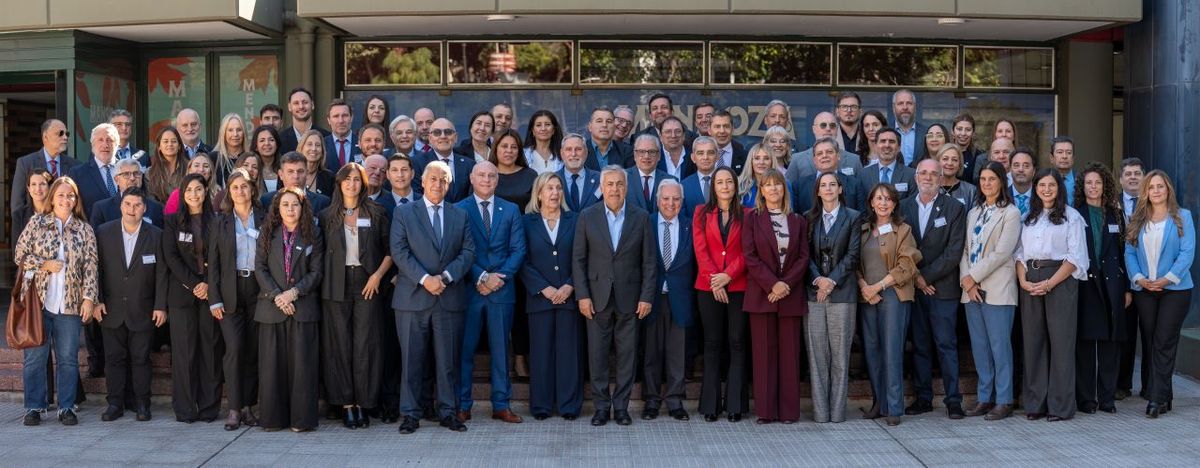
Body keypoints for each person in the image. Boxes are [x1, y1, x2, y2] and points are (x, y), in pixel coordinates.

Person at [391, 160, 476, 434]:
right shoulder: (404, 213)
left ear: (449, 185)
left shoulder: (460, 215)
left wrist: (446, 277)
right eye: (433, 179)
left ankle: (448, 412)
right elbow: (399, 251)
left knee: (447, 361)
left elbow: (468, 252)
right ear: (423, 183)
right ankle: (411, 414)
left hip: (448, 298)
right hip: (413, 298)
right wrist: (426, 279)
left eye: (444, 180)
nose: (438, 184)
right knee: (411, 362)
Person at [573, 165, 656, 427]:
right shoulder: (587, 216)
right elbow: (578, 260)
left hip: (630, 299)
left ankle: (621, 407)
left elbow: (649, 262)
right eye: (609, 184)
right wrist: (582, 296)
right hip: (596, 298)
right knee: (597, 356)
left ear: (626, 187)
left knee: (627, 355)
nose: (615, 189)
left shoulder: (641, 217)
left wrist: (646, 296)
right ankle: (600, 407)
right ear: (602, 187)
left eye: (619, 184)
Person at [15, 176, 99, 427]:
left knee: (68, 359)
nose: (66, 199)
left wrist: (89, 299)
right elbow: (20, 255)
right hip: (38, 305)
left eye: (70, 195)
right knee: (35, 359)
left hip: (70, 306)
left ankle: (67, 407)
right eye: (61, 195)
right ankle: (34, 407)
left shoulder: (84, 229)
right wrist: (44, 265)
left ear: (76, 199)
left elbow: (91, 267)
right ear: (52, 198)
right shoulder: (37, 222)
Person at [318, 163, 392, 429]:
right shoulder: (326, 215)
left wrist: (377, 276)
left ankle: (362, 402)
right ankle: (346, 404)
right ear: (338, 184)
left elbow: (389, 250)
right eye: (346, 179)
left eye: (356, 180)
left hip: (367, 284)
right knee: (339, 345)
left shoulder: (376, 212)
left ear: (363, 183)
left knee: (365, 345)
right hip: (334, 285)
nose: (352, 184)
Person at [453, 161, 527, 424]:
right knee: (465, 350)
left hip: (501, 290)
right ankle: (462, 404)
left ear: (498, 180)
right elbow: (458, 250)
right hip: (470, 290)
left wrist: (498, 278)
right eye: (481, 175)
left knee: (501, 352)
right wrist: (481, 276)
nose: (486, 179)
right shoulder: (459, 209)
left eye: (491, 176)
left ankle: (501, 404)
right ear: (472, 178)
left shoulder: (511, 210)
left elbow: (518, 250)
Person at [1015, 169, 1088, 421]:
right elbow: (1020, 254)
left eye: (1051, 185)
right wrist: (1023, 281)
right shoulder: (1028, 217)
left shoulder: (1072, 217)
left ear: (1059, 188)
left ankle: (1060, 406)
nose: (1046, 189)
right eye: (1042, 185)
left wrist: (1049, 283)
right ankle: (1035, 403)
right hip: (1030, 280)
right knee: (1033, 342)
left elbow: (1076, 258)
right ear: (1035, 188)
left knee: (1061, 343)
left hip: (1060, 280)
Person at [1124, 170, 1194, 418]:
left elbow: (1187, 253)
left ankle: (1155, 398)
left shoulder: (1182, 217)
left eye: (1160, 186)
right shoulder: (1137, 219)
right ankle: (1166, 394)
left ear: (1168, 190)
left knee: (1164, 340)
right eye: (1151, 187)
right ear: (1145, 192)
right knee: (1153, 341)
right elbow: (1129, 253)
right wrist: (1140, 279)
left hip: (1175, 290)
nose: (1156, 191)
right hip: (1145, 290)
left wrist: (1166, 279)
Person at [900, 160, 967, 419]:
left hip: (942, 289)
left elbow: (953, 252)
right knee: (920, 346)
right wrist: (916, 278)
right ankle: (923, 398)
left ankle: (953, 401)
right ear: (916, 177)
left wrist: (924, 277)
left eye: (933, 173)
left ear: (942, 178)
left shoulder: (954, 208)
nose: (928, 177)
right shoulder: (904, 206)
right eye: (923, 173)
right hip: (914, 289)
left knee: (946, 345)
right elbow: (900, 248)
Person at [93, 188, 167, 422]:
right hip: (110, 309)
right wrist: (97, 300)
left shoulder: (156, 235)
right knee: (114, 358)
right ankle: (114, 403)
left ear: (144, 208)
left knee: (141, 359)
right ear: (121, 206)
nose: (132, 210)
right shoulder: (104, 233)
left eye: (137, 205)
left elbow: (162, 274)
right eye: (128, 204)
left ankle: (142, 404)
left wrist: (160, 305)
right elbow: (95, 270)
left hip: (143, 309)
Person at [254, 188, 324, 432]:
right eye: (285, 204)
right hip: (272, 308)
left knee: (302, 367)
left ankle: (301, 420)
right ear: (277, 208)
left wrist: (293, 293)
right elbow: (260, 268)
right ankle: (273, 419)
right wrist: (277, 296)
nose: (290, 209)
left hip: (302, 307)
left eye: (295, 204)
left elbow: (317, 271)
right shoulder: (267, 232)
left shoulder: (312, 232)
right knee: (272, 367)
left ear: (302, 207)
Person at [743, 169, 809, 424]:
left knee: (790, 356)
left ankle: (789, 412)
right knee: (763, 356)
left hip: (790, 296)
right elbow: (750, 256)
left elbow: (803, 257)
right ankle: (766, 411)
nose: (773, 189)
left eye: (777, 185)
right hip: (762, 295)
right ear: (761, 190)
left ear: (784, 189)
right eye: (767, 185)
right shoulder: (752, 219)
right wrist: (772, 284)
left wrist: (785, 284)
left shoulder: (798, 220)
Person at [960, 161, 1022, 421]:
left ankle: (1004, 399)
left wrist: (973, 276)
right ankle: (985, 398)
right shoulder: (974, 211)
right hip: (971, 290)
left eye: (992, 179)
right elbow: (965, 249)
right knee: (980, 347)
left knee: (1000, 347)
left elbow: (1001, 253)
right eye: (983, 179)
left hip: (998, 288)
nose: (987, 183)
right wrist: (967, 280)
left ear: (1001, 182)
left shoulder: (1010, 213)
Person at [520, 172, 583, 421]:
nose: (554, 193)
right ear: (539, 193)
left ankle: (569, 406)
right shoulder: (527, 222)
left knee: (569, 354)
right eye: (549, 188)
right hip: (539, 299)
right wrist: (543, 288)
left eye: (558, 188)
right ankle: (542, 406)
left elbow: (582, 256)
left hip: (569, 297)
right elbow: (522, 260)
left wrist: (569, 286)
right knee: (541, 354)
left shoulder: (576, 220)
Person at [857, 183, 921, 427]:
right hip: (867, 296)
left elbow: (907, 264)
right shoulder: (862, 230)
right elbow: (853, 262)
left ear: (895, 204)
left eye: (888, 199)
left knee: (892, 350)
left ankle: (894, 407)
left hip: (893, 295)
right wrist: (864, 286)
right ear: (871, 203)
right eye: (878, 198)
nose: (883, 203)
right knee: (872, 351)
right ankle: (879, 403)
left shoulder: (903, 230)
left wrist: (878, 286)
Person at [206, 169, 264, 430]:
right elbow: (214, 265)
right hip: (230, 292)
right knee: (235, 349)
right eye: (235, 187)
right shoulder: (221, 221)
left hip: (258, 289)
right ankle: (233, 408)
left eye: (245, 186)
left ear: (253, 189)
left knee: (252, 352)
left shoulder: (264, 217)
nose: (240, 191)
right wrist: (214, 299)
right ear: (228, 191)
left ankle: (248, 407)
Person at [163, 173, 222, 423]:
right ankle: (186, 409)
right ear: (182, 195)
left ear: (206, 192)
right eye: (189, 191)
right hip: (182, 295)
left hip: (211, 295)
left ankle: (209, 408)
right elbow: (171, 257)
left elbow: (221, 256)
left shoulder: (217, 221)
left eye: (199, 190)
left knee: (210, 352)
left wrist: (208, 283)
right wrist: (194, 283)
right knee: (185, 353)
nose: (194, 195)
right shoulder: (172, 222)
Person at [694, 166, 750, 422]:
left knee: (737, 343)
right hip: (708, 288)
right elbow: (700, 250)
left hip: (738, 286)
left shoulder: (747, 214)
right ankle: (710, 405)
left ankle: (736, 405)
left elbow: (749, 251)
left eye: (729, 182)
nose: (725, 186)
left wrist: (729, 276)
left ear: (736, 186)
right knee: (712, 344)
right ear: (713, 187)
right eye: (720, 182)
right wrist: (715, 281)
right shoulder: (701, 214)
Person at [804, 171, 862, 423]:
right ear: (817, 191)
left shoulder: (854, 217)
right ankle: (820, 413)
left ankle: (837, 413)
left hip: (842, 294)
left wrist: (831, 281)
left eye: (832, 185)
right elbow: (804, 255)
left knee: (840, 356)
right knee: (817, 357)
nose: (827, 189)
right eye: (823, 185)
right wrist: (819, 280)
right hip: (814, 293)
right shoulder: (808, 218)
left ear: (840, 189)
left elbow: (853, 254)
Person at [1073, 163, 1128, 414]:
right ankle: (1086, 399)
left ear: (1105, 185)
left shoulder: (1116, 215)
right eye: (1088, 183)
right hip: (1086, 285)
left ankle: (1107, 398)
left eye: (1098, 182)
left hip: (1112, 286)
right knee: (1086, 344)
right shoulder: (1075, 214)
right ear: (1082, 187)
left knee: (1110, 343)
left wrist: (1126, 288)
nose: (1093, 187)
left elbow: (1126, 253)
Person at [640, 179, 695, 422]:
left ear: (682, 202)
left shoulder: (690, 226)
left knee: (677, 353)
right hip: (650, 298)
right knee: (651, 352)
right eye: (666, 199)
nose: (671, 203)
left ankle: (675, 401)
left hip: (680, 297)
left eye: (676, 199)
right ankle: (651, 401)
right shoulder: (645, 223)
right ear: (657, 200)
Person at [1115, 157, 1146, 400]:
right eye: (1128, 174)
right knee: (1124, 335)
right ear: (1120, 179)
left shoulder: (1153, 202)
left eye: (1137, 173)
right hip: (1123, 279)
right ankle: (1122, 384)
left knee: (1149, 335)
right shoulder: (1113, 205)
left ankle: (1149, 385)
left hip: (1149, 279)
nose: (1133, 177)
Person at [11, 119, 78, 216]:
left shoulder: (75, 165)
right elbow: (17, 205)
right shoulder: (25, 163)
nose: (65, 137)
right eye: (60, 133)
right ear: (45, 137)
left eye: (67, 134)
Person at [792, 137, 865, 214]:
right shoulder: (799, 186)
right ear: (814, 160)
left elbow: (862, 216)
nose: (824, 156)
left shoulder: (855, 184)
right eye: (819, 153)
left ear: (838, 156)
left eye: (829, 152)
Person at [785, 111, 862, 182]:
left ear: (837, 129)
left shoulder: (854, 160)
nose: (828, 129)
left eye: (832, 125)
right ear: (814, 129)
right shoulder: (797, 160)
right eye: (823, 125)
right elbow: (789, 190)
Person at [89, 158, 165, 228]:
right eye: (126, 174)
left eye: (136, 173)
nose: (132, 178)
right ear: (116, 180)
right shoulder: (102, 209)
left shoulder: (156, 208)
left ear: (141, 177)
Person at [413, 118, 476, 203]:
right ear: (430, 138)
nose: (443, 136)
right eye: (437, 133)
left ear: (456, 137)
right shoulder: (417, 163)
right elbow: (417, 196)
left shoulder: (469, 164)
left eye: (448, 132)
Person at [68, 123, 123, 218]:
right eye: (100, 140)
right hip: (92, 230)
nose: (105, 145)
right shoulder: (78, 174)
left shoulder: (128, 170)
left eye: (110, 140)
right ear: (92, 144)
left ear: (117, 144)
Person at [260, 152, 331, 214]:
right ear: (281, 175)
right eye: (290, 172)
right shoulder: (267, 201)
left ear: (307, 173)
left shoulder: (322, 203)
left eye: (300, 171)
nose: (296, 176)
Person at [858, 128, 916, 199]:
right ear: (875, 147)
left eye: (891, 142)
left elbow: (911, 205)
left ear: (899, 148)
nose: (887, 145)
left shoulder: (911, 175)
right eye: (883, 141)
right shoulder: (863, 175)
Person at [626, 134, 676, 214]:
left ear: (659, 156)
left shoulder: (671, 181)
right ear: (635, 155)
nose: (646, 156)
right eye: (642, 152)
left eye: (651, 152)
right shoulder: (623, 178)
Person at [492, 130, 539, 210]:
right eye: (504, 146)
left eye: (514, 147)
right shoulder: (486, 174)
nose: (509, 151)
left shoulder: (530, 175)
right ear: (496, 148)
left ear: (519, 151)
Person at [558, 133, 601, 213]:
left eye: (578, 149)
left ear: (586, 153)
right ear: (562, 153)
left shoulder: (600, 179)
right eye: (568, 149)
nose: (573, 154)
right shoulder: (552, 179)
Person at [147, 126, 191, 203]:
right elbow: (151, 202)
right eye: (165, 141)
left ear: (179, 146)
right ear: (159, 147)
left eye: (174, 141)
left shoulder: (190, 169)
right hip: (159, 213)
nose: (170, 144)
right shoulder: (149, 173)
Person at [280, 87, 330, 154]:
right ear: (289, 107)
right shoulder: (280, 139)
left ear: (312, 105)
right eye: (296, 103)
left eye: (305, 102)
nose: (301, 106)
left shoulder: (326, 137)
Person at [12, 168, 53, 246]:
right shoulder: (19, 215)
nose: (38, 189)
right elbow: (16, 250)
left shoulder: (58, 213)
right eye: (33, 184)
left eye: (42, 184)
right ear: (29, 188)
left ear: (50, 187)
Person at [681, 136, 720, 216]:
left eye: (710, 153)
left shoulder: (726, 182)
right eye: (700, 153)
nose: (705, 157)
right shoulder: (683, 186)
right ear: (693, 158)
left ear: (717, 156)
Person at [209, 113, 248, 188]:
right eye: (230, 130)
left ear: (244, 132)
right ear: (224, 133)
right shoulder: (213, 158)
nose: (235, 134)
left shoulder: (250, 158)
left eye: (239, 130)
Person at [523, 110, 564, 175]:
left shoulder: (563, 155)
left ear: (553, 130)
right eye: (538, 125)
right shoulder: (523, 154)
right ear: (532, 130)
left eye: (547, 124)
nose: (543, 128)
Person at [936, 144, 977, 208]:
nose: (950, 163)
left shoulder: (971, 191)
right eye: (945, 159)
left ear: (960, 164)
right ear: (938, 162)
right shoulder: (930, 188)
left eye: (954, 160)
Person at [891, 89, 925, 166]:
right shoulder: (885, 132)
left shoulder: (926, 133)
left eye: (909, 103)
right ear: (893, 108)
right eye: (900, 103)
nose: (905, 107)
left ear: (915, 107)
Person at [323, 99, 357, 172]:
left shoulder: (362, 143)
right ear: (329, 120)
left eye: (345, 115)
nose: (341, 121)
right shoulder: (321, 145)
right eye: (336, 116)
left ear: (351, 118)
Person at [300, 129, 335, 196]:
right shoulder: (291, 173)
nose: (314, 149)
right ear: (302, 148)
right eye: (309, 144)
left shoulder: (329, 178)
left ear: (322, 151)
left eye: (318, 145)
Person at [951, 114, 984, 184]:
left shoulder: (980, 156)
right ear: (952, 131)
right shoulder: (944, 154)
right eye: (959, 129)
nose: (963, 133)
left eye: (968, 130)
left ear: (973, 133)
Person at [252, 125, 283, 193]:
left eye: (271, 140)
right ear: (256, 146)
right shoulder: (251, 169)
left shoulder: (285, 167)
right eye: (262, 140)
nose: (267, 143)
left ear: (277, 144)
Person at [1008, 148, 1036, 218]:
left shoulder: (1042, 197)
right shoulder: (1001, 196)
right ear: (1010, 169)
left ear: (1034, 171)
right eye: (1016, 165)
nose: (1021, 169)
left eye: (1026, 166)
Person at [1050, 136, 1078, 206]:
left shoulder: (1082, 179)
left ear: (1073, 158)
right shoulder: (1043, 180)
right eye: (1060, 152)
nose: (1064, 156)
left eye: (1069, 152)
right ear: (1051, 158)